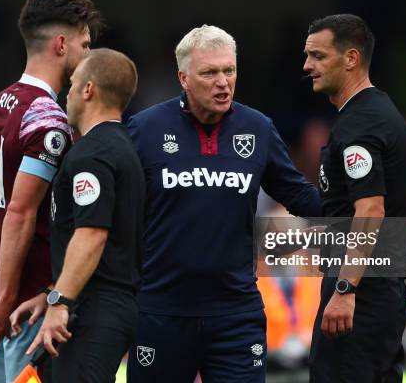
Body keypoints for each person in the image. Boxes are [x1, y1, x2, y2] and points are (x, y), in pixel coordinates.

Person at [126, 25, 321, 383]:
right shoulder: (144, 129)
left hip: (236, 314)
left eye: (229, 70)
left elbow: (298, 195)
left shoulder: (258, 128)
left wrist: (364, 214)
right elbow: (115, 210)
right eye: (209, 72)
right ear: (183, 78)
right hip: (162, 312)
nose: (222, 82)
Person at [0, 0, 99, 383]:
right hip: (22, 294)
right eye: (85, 44)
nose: (89, 56)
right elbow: (21, 211)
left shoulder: (1, 101)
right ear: (61, 44)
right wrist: (9, 296)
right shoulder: (48, 118)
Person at [13, 48, 144, 382]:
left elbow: (92, 235)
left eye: (72, 84)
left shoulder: (93, 155)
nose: (66, 92)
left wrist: (60, 300)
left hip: (94, 311)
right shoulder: (120, 147)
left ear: (88, 90)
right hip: (102, 304)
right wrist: (51, 293)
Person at [303, 14, 406, 382]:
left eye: (318, 56)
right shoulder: (379, 113)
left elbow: (371, 208)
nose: (308, 66)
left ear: (351, 58)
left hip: (361, 293)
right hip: (381, 289)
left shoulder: (361, 123)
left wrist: (345, 287)